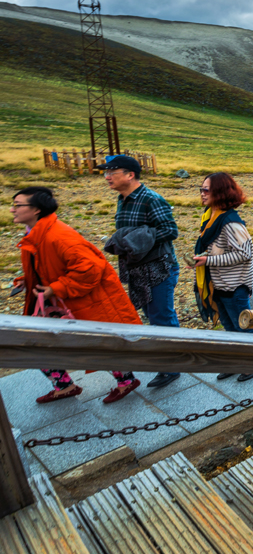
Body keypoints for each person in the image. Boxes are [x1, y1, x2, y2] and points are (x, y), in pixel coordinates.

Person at [11, 188, 143, 404]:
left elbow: (90, 269)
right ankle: (65, 386)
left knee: (98, 341)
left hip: (84, 299)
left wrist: (55, 288)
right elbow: (46, 264)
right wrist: (29, 279)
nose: (12, 209)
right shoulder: (35, 233)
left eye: (18, 205)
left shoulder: (58, 236)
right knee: (40, 343)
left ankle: (125, 381)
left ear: (36, 210)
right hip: (65, 299)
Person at [98, 154, 182, 390]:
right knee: (155, 316)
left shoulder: (151, 199)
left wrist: (137, 238)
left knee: (161, 318)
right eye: (106, 173)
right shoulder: (122, 199)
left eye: (112, 172)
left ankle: (172, 367)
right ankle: (175, 357)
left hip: (158, 268)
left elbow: (170, 231)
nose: (107, 177)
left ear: (130, 175)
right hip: (138, 270)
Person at [192, 172, 253, 382]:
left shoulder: (230, 223)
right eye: (201, 189)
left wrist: (208, 261)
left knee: (244, 325)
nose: (202, 193)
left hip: (234, 285)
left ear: (220, 192)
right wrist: (204, 259)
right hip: (219, 284)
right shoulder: (211, 216)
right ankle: (237, 362)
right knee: (229, 326)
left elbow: (245, 254)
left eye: (206, 190)